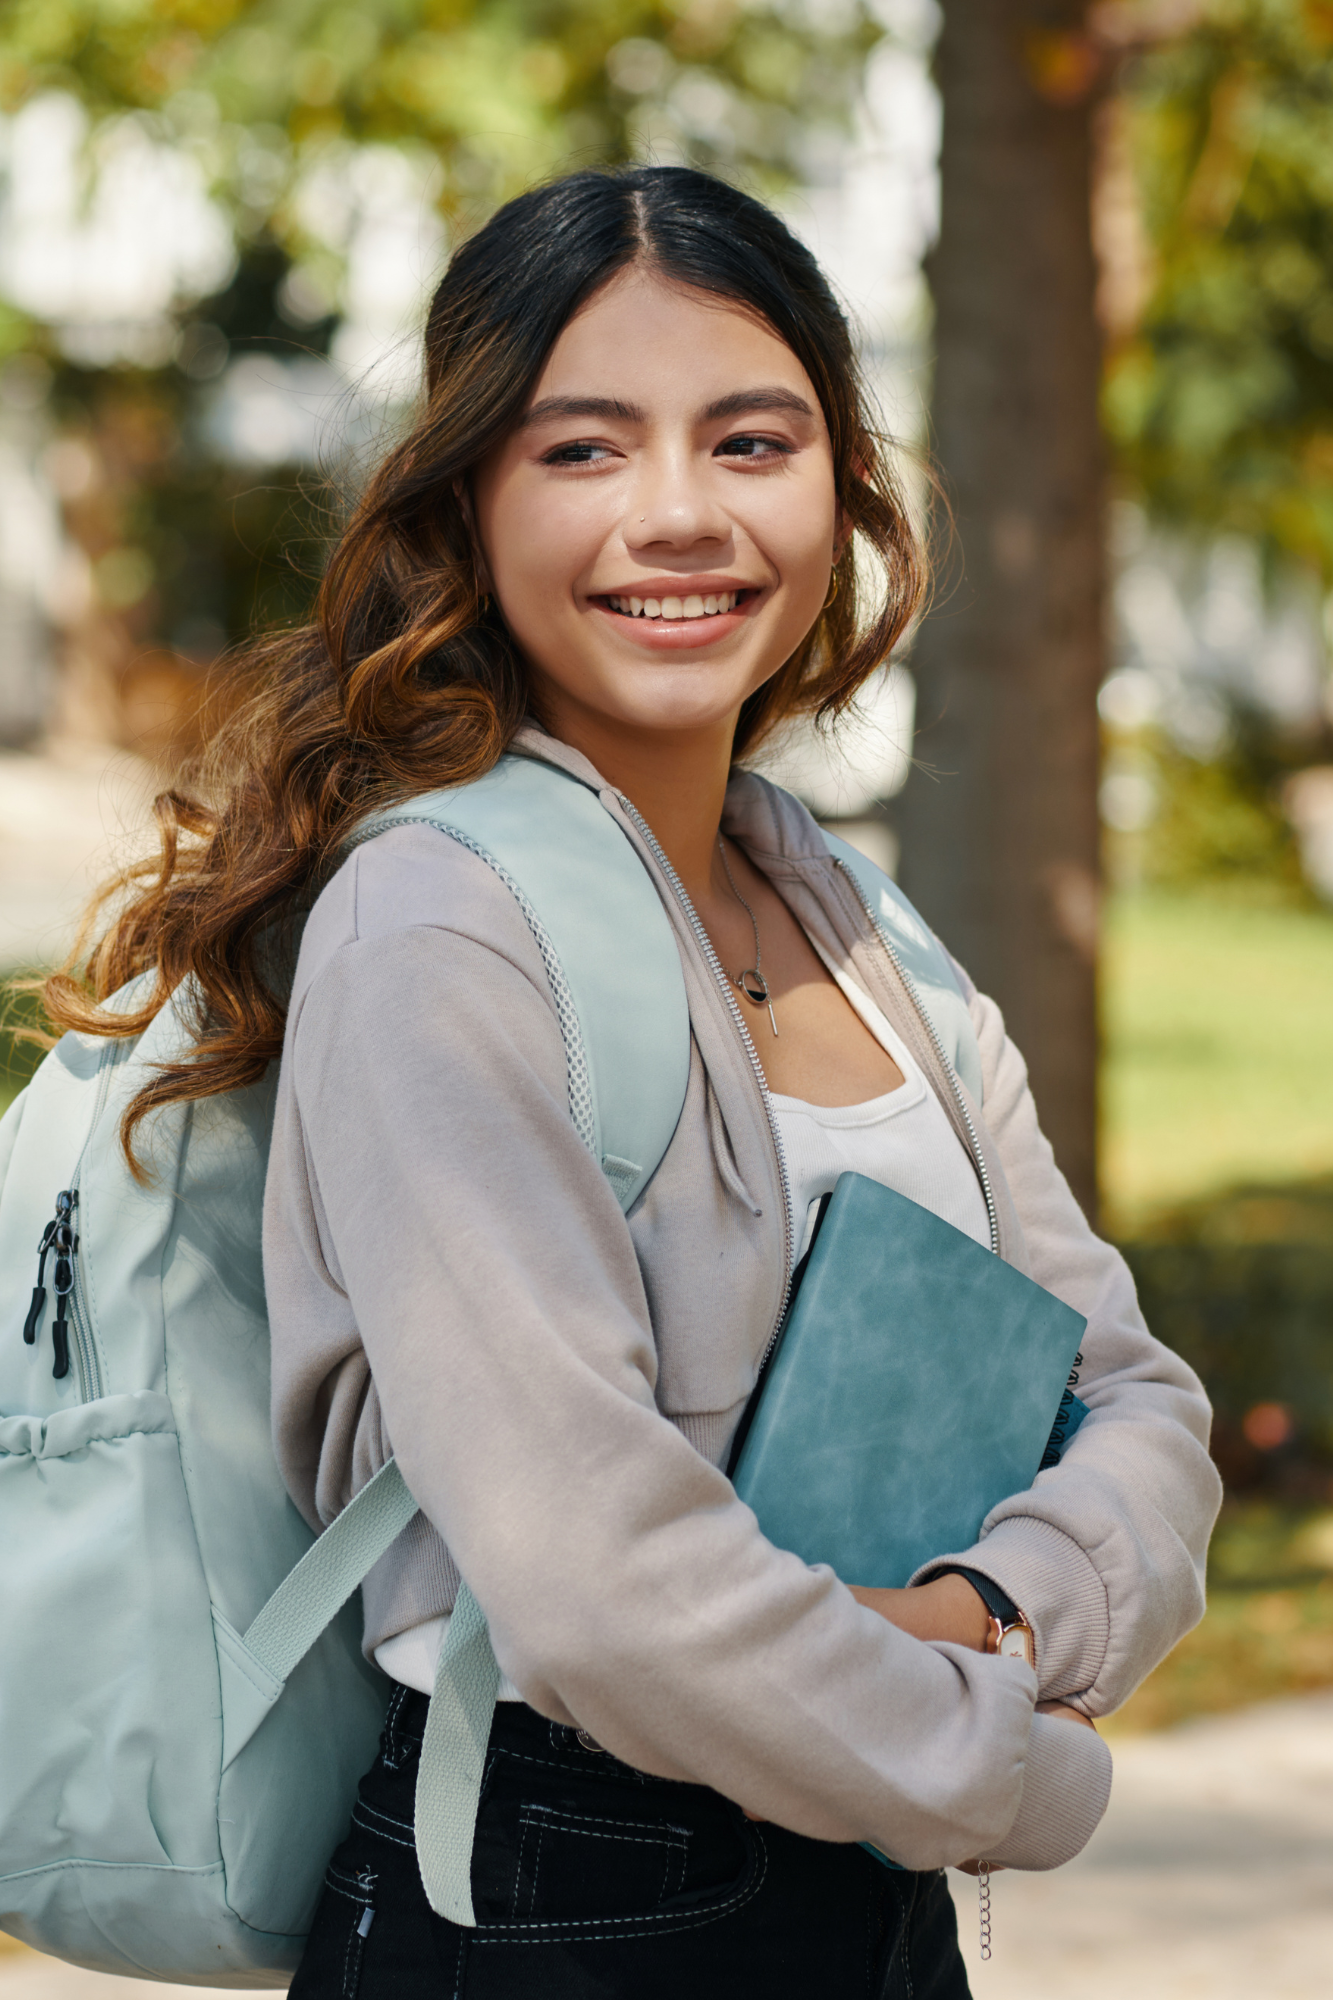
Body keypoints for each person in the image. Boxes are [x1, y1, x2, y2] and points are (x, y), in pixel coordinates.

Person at [50, 166, 1220, 1997]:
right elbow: (594, 1582)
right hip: (554, 1905)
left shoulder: (855, 922)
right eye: (582, 452)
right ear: (468, 505)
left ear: (842, 484)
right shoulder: (434, 925)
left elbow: (1133, 1400)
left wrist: (988, 1615)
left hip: (869, 1892)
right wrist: (997, 1754)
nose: (676, 517)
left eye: (751, 441)